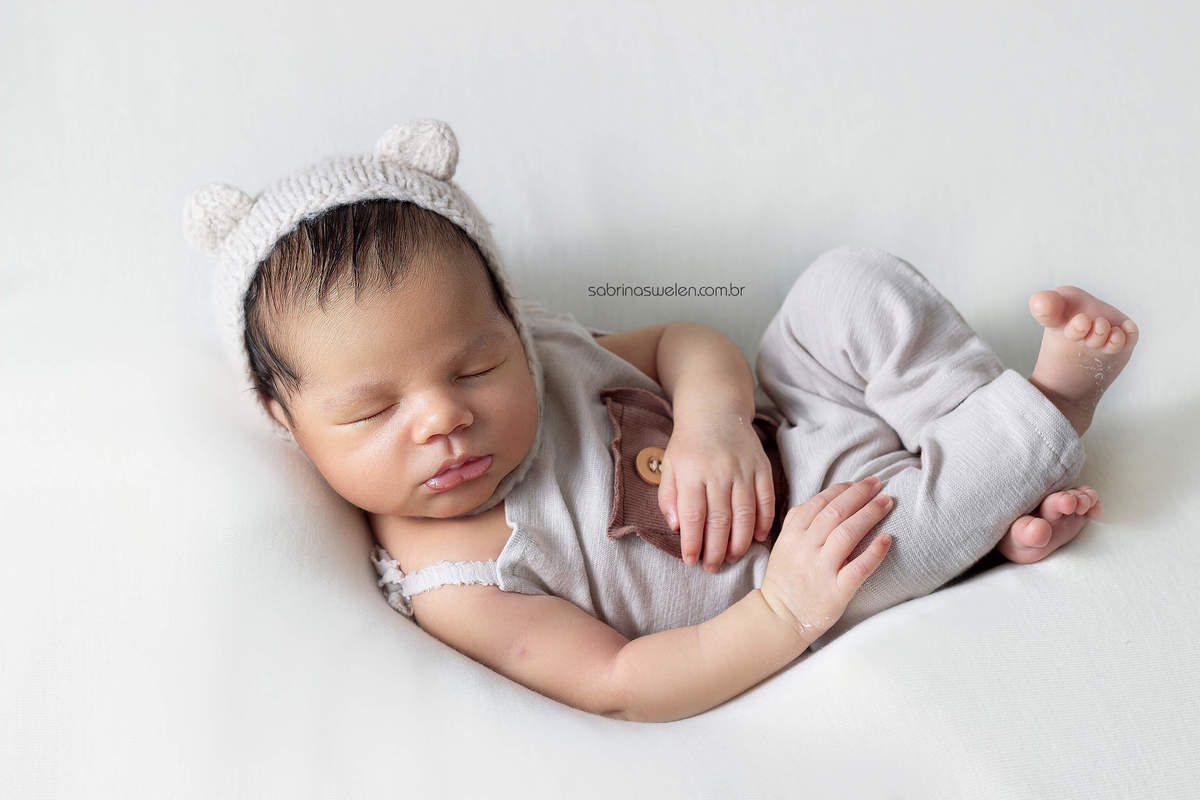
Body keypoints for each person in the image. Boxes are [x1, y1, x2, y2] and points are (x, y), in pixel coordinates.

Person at [182, 119, 1138, 723]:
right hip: (794, 552)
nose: (444, 417)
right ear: (285, 418)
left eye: (476, 364)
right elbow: (621, 682)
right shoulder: (456, 581)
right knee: (875, 545)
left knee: (845, 286)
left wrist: (714, 419)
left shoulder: (542, 343)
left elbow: (685, 337)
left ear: (508, 322)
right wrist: (785, 609)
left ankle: (972, 445)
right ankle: (1046, 413)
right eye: (373, 410)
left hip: (793, 413)